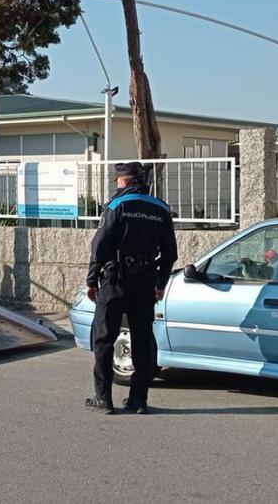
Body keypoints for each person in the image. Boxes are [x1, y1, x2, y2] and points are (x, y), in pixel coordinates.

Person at [84, 162, 177, 414]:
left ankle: (103, 398)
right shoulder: (161, 208)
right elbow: (170, 253)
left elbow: (99, 247)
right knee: (142, 340)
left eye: (118, 181)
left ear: (123, 181)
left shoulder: (116, 206)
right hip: (146, 283)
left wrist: (92, 280)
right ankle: (138, 400)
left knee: (104, 340)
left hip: (116, 281)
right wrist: (161, 283)